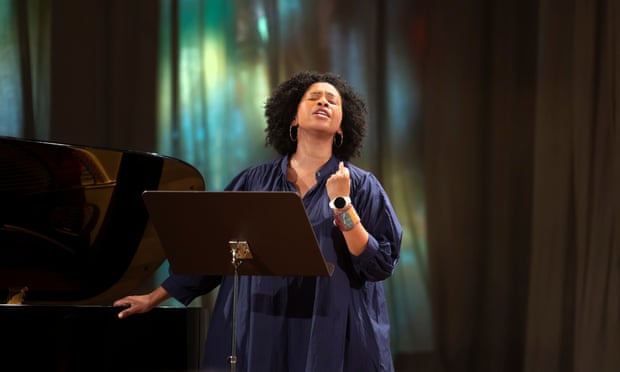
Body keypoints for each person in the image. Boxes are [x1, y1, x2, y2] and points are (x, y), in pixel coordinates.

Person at [114, 71, 403, 372]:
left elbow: (379, 261)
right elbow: (211, 252)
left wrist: (342, 203)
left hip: (332, 326)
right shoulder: (252, 180)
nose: (324, 103)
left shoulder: (363, 186)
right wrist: (153, 297)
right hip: (261, 325)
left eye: (333, 101)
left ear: (342, 126)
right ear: (293, 118)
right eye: (314, 98)